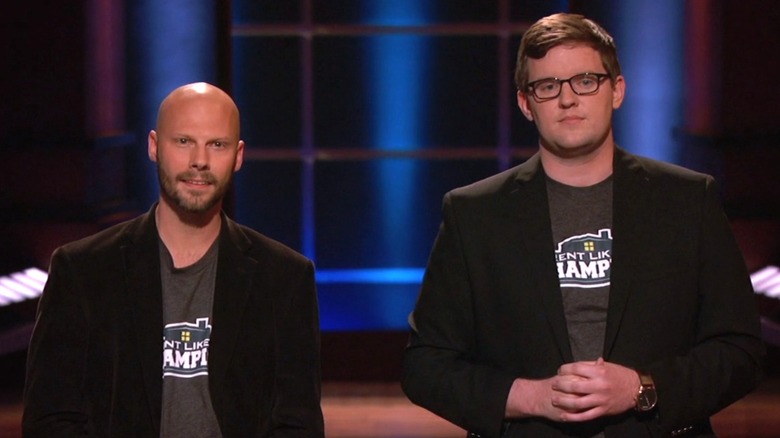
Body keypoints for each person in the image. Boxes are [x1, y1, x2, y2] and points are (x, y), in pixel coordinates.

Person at [402, 13, 764, 438]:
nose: (568, 99)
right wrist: (532, 397)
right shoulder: (474, 214)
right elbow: (425, 364)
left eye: (586, 80)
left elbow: (741, 350)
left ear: (617, 90)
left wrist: (642, 388)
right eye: (548, 86)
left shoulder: (687, 201)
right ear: (526, 102)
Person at [22, 82, 324, 437]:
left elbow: (298, 423)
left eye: (217, 144)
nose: (200, 160)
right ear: (154, 147)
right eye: (183, 141)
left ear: (238, 156)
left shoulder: (285, 278)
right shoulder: (83, 271)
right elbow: (49, 419)